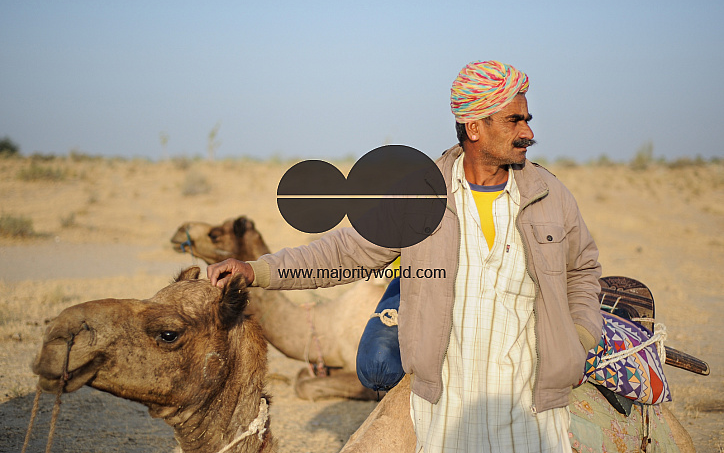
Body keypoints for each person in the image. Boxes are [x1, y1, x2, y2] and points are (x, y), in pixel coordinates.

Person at [207, 60, 603, 453]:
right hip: (447, 413)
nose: (528, 131)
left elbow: (582, 270)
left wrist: (579, 339)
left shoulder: (550, 196)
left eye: (526, 119)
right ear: (475, 126)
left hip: (534, 412)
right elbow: (347, 251)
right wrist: (257, 270)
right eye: (514, 120)